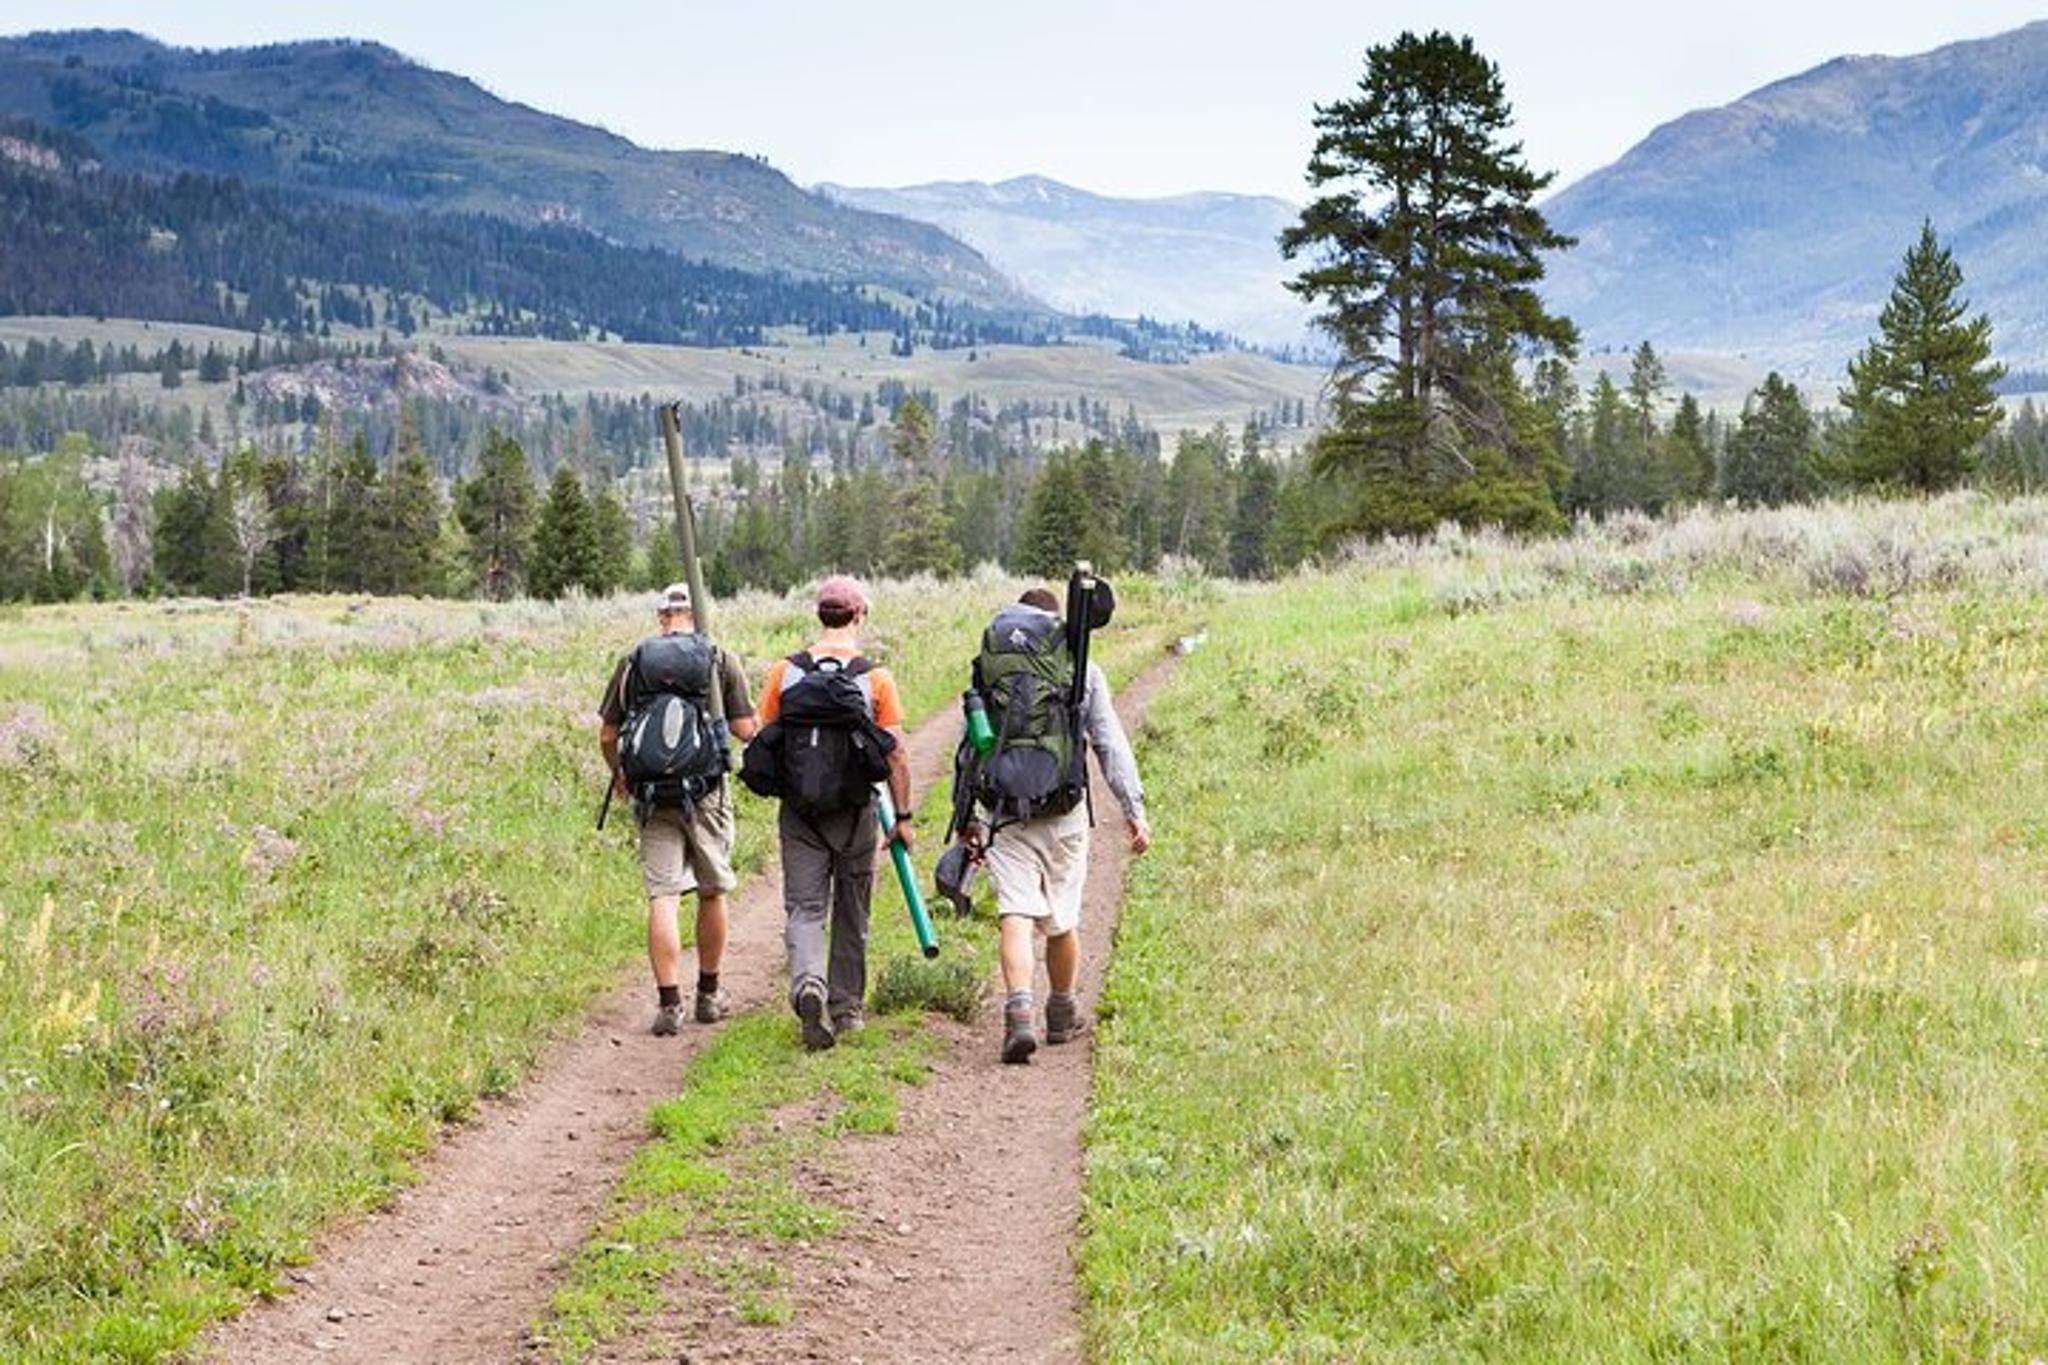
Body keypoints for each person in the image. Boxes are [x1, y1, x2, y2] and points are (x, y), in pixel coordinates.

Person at [958, 587, 1150, 1064]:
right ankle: (1061, 1012)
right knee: (1062, 917)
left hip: (1003, 811)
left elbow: (968, 751)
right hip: (1063, 810)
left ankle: (1019, 1013)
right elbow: (1109, 743)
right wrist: (1134, 809)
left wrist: (964, 817)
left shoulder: (990, 667)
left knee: (1015, 913)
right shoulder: (1080, 669)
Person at [753, 575, 914, 1051]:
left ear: (819, 615)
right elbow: (897, 754)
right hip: (857, 811)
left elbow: (766, 734)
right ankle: (847, 1010)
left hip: (799, 811)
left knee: (804, 908)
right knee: (852, 908)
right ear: (859, 615)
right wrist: (903, 817)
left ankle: (808, 985)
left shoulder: (785, 673)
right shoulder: (874, 677)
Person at [598, 582, 758, 1035]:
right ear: (697, 613)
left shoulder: (633, 662)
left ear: (661, 617)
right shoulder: (718, 658)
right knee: (711, 890)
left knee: (663, 896)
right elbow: (746, 728)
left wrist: (623, 777)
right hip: (706, 792)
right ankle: (708, 995)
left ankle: (669, 1004)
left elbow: (608, 735)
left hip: (651, 794)